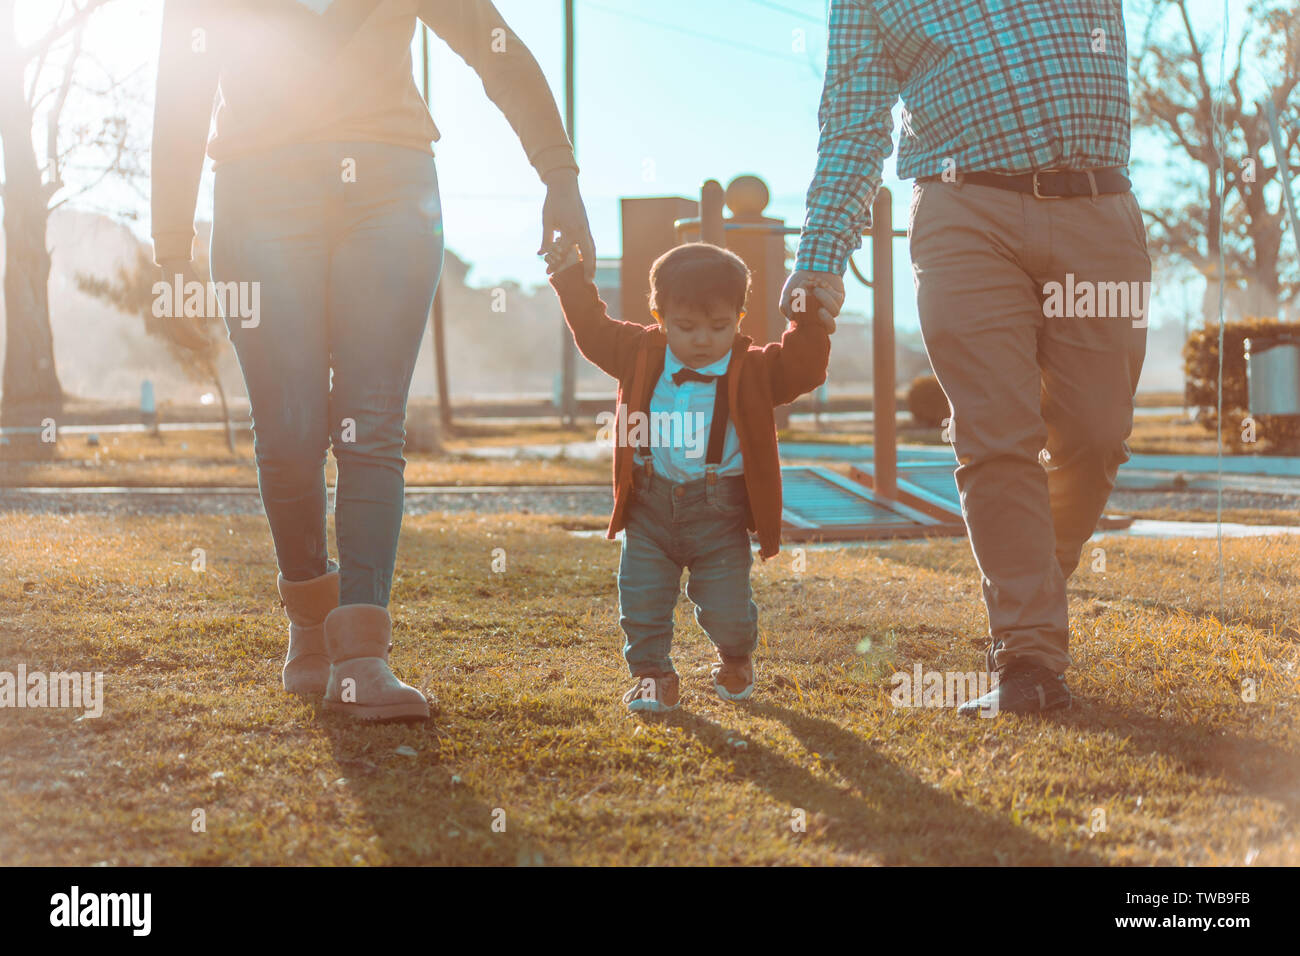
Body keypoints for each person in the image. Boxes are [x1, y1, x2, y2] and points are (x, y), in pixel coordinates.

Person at [151, 0, 595, 721]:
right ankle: (309, 624)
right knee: (289, 428)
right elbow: (180, 91)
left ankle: (361, 656)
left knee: (371, 423)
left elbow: (495, 48)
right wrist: (171, 249)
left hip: (391, 188)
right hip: (259, 193)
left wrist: (560, 173)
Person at [785, 0, 1150, 715]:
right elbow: (855, 121)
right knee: (997, 435)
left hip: (1098, 208)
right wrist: (822, 255)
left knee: (1097, 434)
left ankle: (1034, 588)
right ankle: (1028, 654)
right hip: (964, 213)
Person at [545, 241, 834, 712]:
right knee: (641, 603)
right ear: (658, 315)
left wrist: (809, 316)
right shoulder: (638, 353)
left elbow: (804, 366)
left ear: (740, 318)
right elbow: (593, 329)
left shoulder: (755, 368)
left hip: (718, 517)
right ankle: (654, 676)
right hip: (649, 509)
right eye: (686, 327)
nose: (703, 339)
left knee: (728, 611)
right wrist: (571, 278)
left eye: (719, 326)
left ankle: (736, 655)